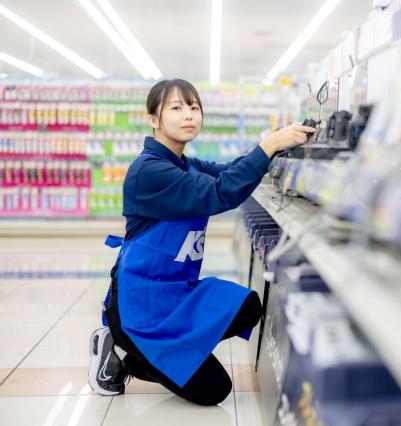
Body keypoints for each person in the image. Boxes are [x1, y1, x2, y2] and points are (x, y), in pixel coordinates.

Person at [87, 78, 316, 405]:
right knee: (214, 390)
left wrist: (276, 148)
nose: (189, 115)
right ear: (153, 119)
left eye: (194, 107)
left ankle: (165, 353)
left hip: (177, 293)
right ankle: (123, 351)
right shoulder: (149, 171)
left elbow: (228, 172)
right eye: (177, 108)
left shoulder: (184, 164)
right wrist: (268, 146)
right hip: (141, 305)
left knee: (247, 307)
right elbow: (221, 192)